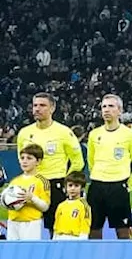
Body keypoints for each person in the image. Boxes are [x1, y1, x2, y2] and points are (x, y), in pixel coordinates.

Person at [16, 92, 85, 235]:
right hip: (32, 186)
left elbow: (78, 162)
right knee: (27, 225)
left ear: (52, 108)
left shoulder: (64, 132)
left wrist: (66, 181)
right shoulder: (24, 133)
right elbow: (21, 158)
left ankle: (57, 255)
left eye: (42, 105)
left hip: (55, 184)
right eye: (35, 105)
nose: (37, 109)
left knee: (55, 227)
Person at [86, 94, 132, 240]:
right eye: (104, 106)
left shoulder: (130, 135)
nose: (106, 110)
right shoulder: (94, 134)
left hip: (119, 187)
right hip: (97, 186)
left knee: (123, 230)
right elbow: (91, 161)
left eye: (111, 106)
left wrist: (128, 186)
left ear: (120, 111)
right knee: (93, 228)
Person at [7, 144, 51, 240]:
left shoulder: (42, 181)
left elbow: (45, 207)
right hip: (13, 221)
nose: (24, 161)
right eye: (22, 158)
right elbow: (7, 203)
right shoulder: (14, 181)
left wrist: (32, 198)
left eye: (29, 158)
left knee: (29, 252)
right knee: (13, 253)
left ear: (38, 161)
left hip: (31, 223)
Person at [52, 171, 91, 240]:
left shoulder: (84, 206)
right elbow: (56, 226)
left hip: (76, 239)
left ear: (82, 188)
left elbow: (85, 226)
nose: (73, 188)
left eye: (76, 186)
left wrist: (82, 241)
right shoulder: (61, 206)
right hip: (60, 238)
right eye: (70, 185)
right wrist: (54, 239)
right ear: (66, 187)